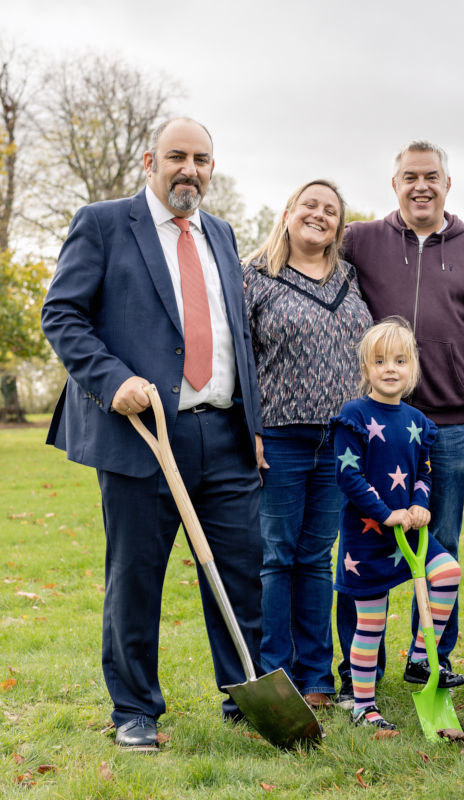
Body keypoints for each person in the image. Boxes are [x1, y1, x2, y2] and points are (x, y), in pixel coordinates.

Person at [41, 118, 265, 751]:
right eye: (176, 157)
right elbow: (62, 313)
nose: (188, 169)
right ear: (149, 161)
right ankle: (134, 709)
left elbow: (233, 336)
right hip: (143, 434)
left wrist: (249, 423)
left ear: (212, 168)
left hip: (223, 433)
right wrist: (113, 381)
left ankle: (242, 694)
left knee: (241, 570)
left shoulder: (220, 234)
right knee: (136, 575)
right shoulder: (105, 223)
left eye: (200, 159)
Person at [334, 140, 464, 706]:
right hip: (374, 423)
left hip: (450, 426)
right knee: (361, 541)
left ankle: (429, 657)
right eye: (409, 176)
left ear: (447, 183)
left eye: (431, 176)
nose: (421, 186)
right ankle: (355, 669)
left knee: (441, 540)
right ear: (395, 185)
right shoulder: (360, 240)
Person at [242, 180, 372, 709]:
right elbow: (240, 361)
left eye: (331, 210)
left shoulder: (350, 277)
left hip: (339, 439)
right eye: (310, 205)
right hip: (279, 437)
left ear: (339, 225)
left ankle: (317, 678)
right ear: (289, 212)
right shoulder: (254, 277)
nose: (319, 215)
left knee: (318, 559)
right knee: (277, 558)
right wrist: (246, 428)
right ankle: (278, 675)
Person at [332, 317, 464, 730]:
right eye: (380, 361)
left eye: (400, 361)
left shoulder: (417, 421)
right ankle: (364, 705)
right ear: (366, 369)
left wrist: (421, 505)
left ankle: (423, 658)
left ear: (413, 369)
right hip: (368, 537)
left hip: (411, 534)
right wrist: (384, 513)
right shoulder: (353, 415)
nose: (390, 369)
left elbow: (424, 473)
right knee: (370, 624)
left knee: (448, 572)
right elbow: (348, 475)